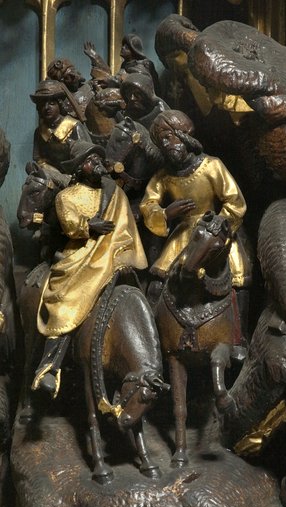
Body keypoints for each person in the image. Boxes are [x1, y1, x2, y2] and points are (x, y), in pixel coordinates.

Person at [32, 140, 148, 396]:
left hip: (113, 253)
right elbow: (70, 225)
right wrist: (88, 225)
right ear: (78, 168)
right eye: (89, 160)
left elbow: (124, 229)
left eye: (97, 159)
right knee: (63, 297)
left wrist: (121, 255)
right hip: (80, 254)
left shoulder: (115, 194)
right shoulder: (66, 197)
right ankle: (49, 367)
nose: (95, 163)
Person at [139, 109, 250, 288]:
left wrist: (219, 223)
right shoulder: (164, 176)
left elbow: (234, 201)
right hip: (183, 234)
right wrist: (166, 213)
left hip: (214, 230)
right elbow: (148, 203)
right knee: (158, 282)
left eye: (168, 137)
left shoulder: (211, 166)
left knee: (238, 280)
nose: (165, 145)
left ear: (183, 135)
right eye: (161, 142)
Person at [31, 79, 91, 174]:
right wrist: (46, 168)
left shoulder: (73, 126)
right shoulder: (40, 132)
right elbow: (38, 158)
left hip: (75, 173)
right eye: (42, 104)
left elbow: (85, 154)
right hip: (50, 173)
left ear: (59, 104)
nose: (47, 107)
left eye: (52, 103)